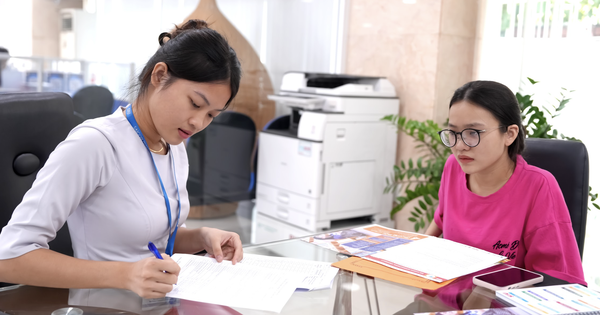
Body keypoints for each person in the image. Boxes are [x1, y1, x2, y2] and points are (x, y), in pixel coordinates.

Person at [0, 20, 244, 299]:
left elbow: (151, 239)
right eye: (195, 104)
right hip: (102, 307)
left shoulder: (174, 143)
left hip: (159, 303)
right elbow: (8, 257)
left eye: (211, 115)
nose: (198, 122)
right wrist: (125, 276)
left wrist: (200, 237)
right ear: (160, 75)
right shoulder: (95, 144)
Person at [425, 80, 585, 285]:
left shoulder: (539, 187)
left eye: (473, 133)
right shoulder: (454, 167)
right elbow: (441, 218)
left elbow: (555, 279)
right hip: (451, 298)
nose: (459, 147)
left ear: (509, 134)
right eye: (454, 133)